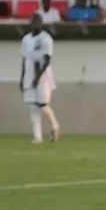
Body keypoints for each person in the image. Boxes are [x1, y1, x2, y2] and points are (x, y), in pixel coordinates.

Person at [19, 14, 60, 144]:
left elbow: (47, 60)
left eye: (38, 22)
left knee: (42, 104)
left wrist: (37, 77)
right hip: (29, 75)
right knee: (32, 106)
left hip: (43, 77)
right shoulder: (26, 40)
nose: (35, 25)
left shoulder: (46, 39)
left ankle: (55, 126)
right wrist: (22, 78)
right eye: (33, 22)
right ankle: (38, 137)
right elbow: (25, 60)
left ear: (41, 24)